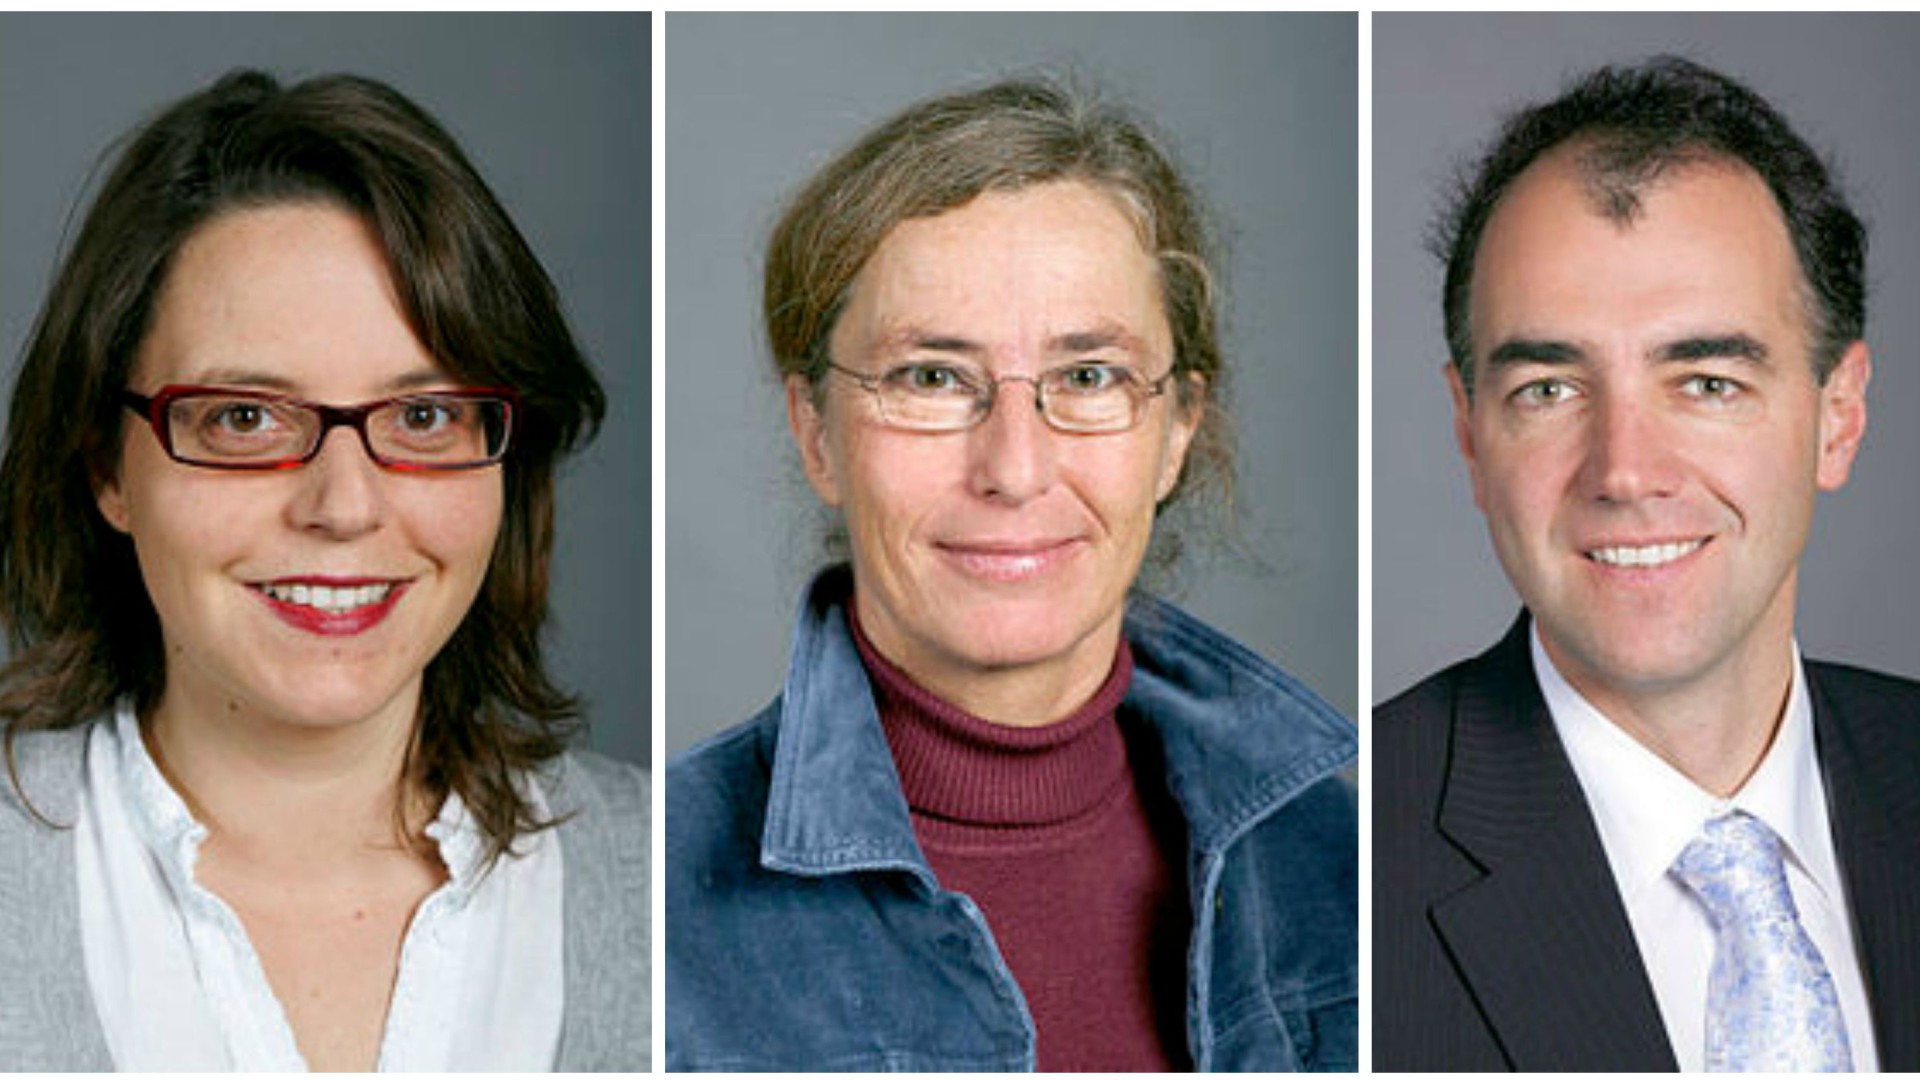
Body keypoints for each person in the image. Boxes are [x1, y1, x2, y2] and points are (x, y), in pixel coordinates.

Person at [665, 76, 1356, 1072]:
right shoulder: (667, 896)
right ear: (816, 432)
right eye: (932, 378)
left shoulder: (1343, 865)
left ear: (1175, 432)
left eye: (1089, 377)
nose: (1015, 469)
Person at [0, 70, 648, 1071]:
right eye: (245, 418)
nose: (344, 506)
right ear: (106, 468)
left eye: (423, 417)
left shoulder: (663, 870)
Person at [1375, 55, 1920, 1071]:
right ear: (1469, 433)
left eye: (1706, 382)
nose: (1625, 471)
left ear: (1837, 419)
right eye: (1548, 390)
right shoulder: (1341, 857)